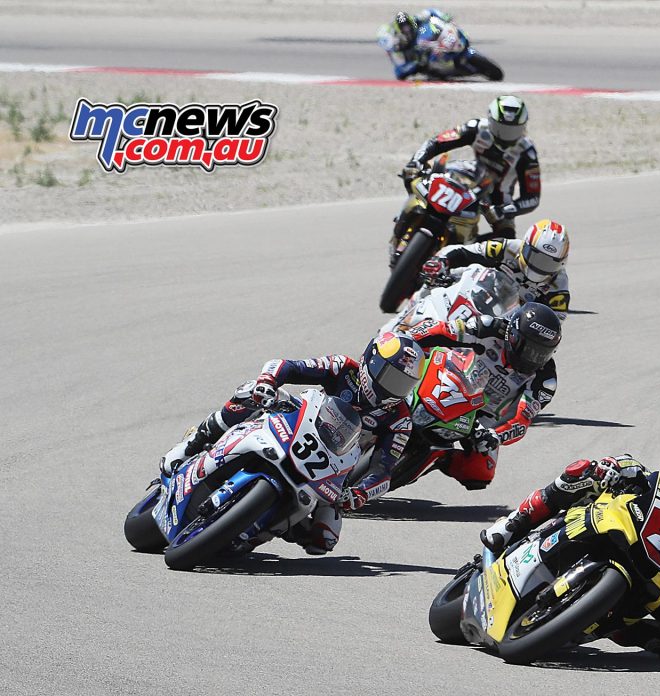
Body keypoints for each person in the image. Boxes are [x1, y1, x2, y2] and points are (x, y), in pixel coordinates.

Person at [480, 456, 660, 658]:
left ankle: (596, 622)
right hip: (636, 539)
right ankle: (513, 524)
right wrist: (622, 468)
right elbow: (655, 481)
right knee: (584, 473)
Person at [158, 332, 426, 555]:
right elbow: (287, 366)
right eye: (391, 377)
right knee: (249, 393)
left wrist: (361, 493)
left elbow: (383, 470)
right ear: (371, 361)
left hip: (334, 465)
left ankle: (264, 528)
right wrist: (267, 382)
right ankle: (193, 444)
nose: (394, 388)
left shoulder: (400, 420)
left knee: (324, 541)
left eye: (403, 384)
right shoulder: (342, 367)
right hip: (296, 423)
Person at [407, 302, 561, 489]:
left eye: (541, 354)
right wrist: (406, 340)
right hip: (446, 382)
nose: (533, 358)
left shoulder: (545, 380)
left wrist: (495, 436)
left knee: (480, 472)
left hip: (479, 422)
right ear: (513, 336)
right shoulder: (488, 328)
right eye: (529, 349)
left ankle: (438, 457)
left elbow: (521, 420)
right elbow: (442, 330)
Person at [402, 95, 539, 239]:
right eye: (501, 128)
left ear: (523, 127)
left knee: (507, 239)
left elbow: (533, 197)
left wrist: (508, 210)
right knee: (417, 177)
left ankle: (463, 253)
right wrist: (416, 161)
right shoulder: (477, 127)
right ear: (491, 121)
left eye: (512, 131)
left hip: (499, 198)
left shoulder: (527, 152)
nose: (505, 136)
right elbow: (437, 142)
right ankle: (405, 223)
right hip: (469, 175)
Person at [418, 218, 570, 318]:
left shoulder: (559, 286)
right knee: (435, 282)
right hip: (478, 294)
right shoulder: (507, 248)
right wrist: (441, 261)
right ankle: (414, 311)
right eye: (536, 257)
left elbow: (554, 323)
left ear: (561, 263)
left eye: (549, 263)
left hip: (509, 323)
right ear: (525, 247)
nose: (540, 267)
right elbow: (465, 251)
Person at [381, 8, 454, 80]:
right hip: (422, 61)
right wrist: (416, 65)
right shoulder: (398, 43)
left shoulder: (416, 19)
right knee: (428, 69)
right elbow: (399, 72)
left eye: (408, 25)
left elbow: (430, 11)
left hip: (433, 41)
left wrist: (443, 16)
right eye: (403, 28)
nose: (407, 29)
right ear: (399, 31)